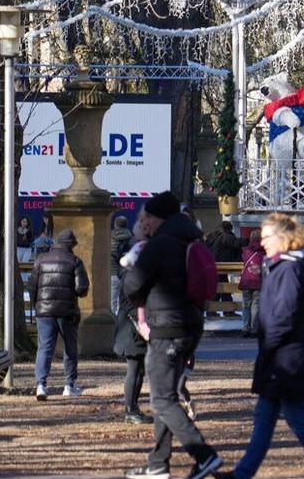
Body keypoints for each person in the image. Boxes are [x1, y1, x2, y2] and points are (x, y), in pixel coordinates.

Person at [123, 191, 223, 479]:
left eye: (147, 218)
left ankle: (205, 456)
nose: (144, 223)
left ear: (158, 218)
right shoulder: (191, 238)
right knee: (166, 396)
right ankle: (157, 463)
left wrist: (136, 262)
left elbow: (132, 286)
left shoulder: (160, 245)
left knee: (162, 400)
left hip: (167, 328)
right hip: (190, 324)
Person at [232, 212, 304, 479]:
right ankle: (242, 473)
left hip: (287, 359)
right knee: (265, 419)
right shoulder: (280, 265)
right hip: (280, 357)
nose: (262, 242)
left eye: (267, 236)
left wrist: (268, 346)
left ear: (283, 238)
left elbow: (284, 314)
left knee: (296, 419)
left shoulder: (289, 268)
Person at [30, 229, 89, 401]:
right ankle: (69, 385)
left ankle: (41, 384)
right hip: (67, 311)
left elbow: (32, 286)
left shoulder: (41, 260)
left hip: (45, 312)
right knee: (70, 348)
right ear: (71, 245)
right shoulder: (75, 261)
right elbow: (81, 288)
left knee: (45, 348)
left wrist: (38, 305)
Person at [115, 215, 150, 424]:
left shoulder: (129, 275)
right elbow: (136, 302)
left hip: (130, 326)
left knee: (137, 370)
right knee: (134, 370)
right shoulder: (133, 278)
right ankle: (130, 409)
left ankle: (133, 407)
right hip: (132, 326)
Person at [239, 231, 265, 338]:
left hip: (246, 281)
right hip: (258, 281)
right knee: (255, 306)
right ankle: (254, 329)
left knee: (246, 305)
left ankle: (245, 328)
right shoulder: (264, 253)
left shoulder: (245, 251)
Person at [111, 215, 134, 313]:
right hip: (127, 274)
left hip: (112, 273)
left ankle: (113, 323)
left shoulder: (108, 238)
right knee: (126, 303)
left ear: (115, 225)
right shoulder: (132, 239)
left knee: (113, 301)